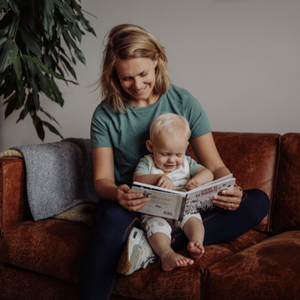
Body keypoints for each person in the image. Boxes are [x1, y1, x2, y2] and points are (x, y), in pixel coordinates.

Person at [79, 24, 270, 300]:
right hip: (135, 206)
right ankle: (153, 240)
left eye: (143, 73)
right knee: (108, 220)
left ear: (157, 61)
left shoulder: (184, 102)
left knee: (257, 202)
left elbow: (214, 167)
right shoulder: (106, 114)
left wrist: (233, 189)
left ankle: (150, 246)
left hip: (185, 204)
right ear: (114, 75)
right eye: (126, 78)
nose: (137, 85)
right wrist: (118, 194)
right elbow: (102, 181)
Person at [133, 113, 214, 271]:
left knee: (194, 219)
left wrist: (196, 181)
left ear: (186, 147)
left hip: (183, 208)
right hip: (156, 212)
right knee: (156, 228)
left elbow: (209, 173)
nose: (172, 160)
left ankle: (196, 242)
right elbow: (137, 179)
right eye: (165, 154)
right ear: (151, 147)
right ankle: (166, 254)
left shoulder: (186, 163)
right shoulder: (147, 162)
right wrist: (157, 178)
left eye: (178, 154)